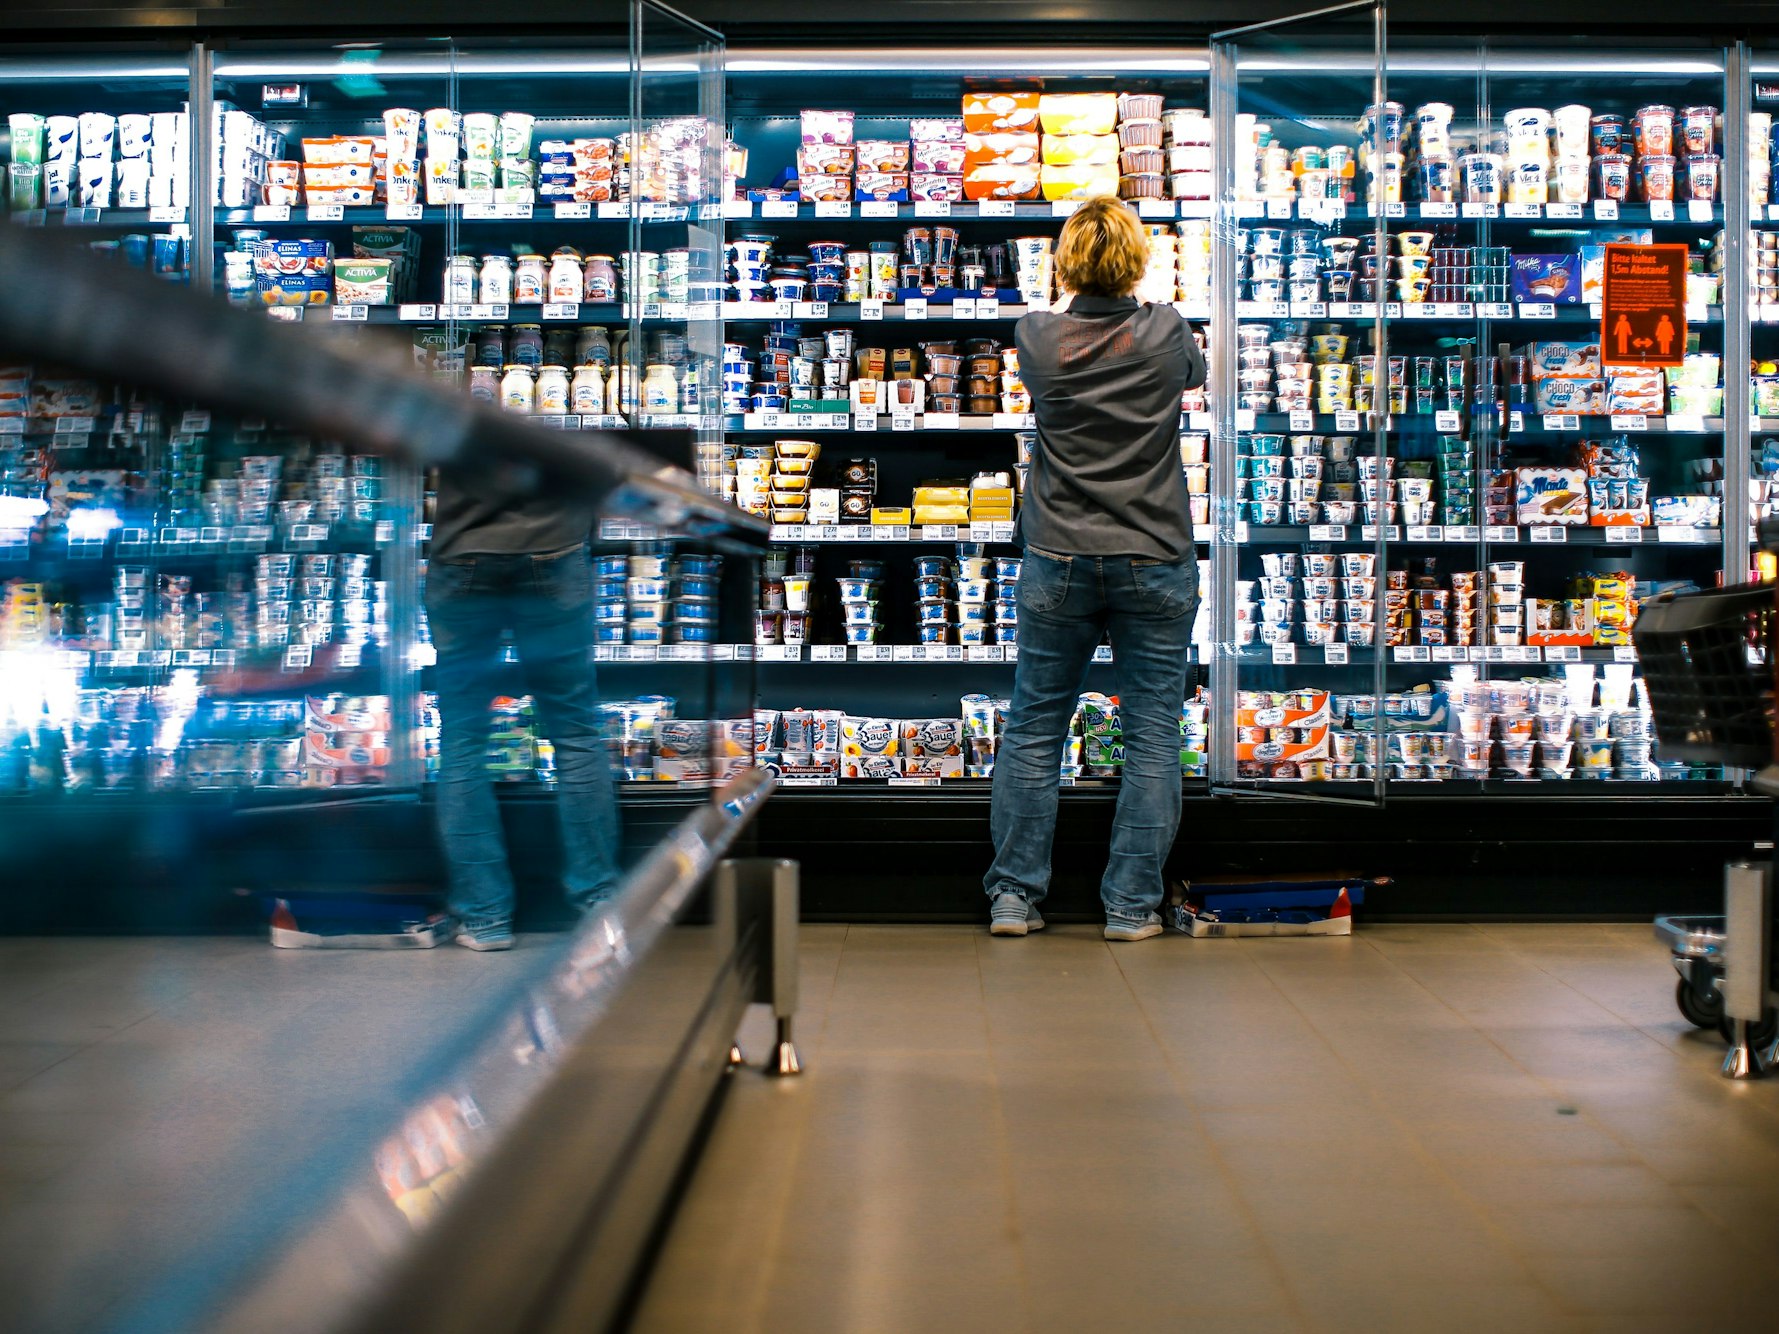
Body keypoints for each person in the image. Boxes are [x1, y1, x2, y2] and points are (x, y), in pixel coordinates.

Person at [984, 194, 1206, 942]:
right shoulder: (1167, 330)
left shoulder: (1035, 336)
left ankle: (1014, 898)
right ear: (1137, 262)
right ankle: (1130, 907)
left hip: (1058, 556)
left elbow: (1056, 330)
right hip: (1153, 554)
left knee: (1034, 729)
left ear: (1063, 262)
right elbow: (1192, 373)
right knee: (1150, 734)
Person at [426, 450, 621, 951]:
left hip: (464, 550)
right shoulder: (583, 370)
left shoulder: (455, 371)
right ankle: (598, 905)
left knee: (463, 742)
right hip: (556, 549)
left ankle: (485, 917)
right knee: (575, 731)